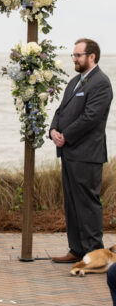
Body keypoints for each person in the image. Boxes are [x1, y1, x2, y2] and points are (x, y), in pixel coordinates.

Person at [49, 38, 113, 263]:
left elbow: (91, 117)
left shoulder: (101, 83)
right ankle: (76, 250)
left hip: (87, 155)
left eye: (78, 55)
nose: (74, 59)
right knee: (72, 204)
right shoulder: (75, 81)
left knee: (87, 204)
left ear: (92, 57)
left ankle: (94, 254)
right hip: (69, 153)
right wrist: (53, 130)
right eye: (73, 55)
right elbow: (61, 110)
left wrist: (66, 135)